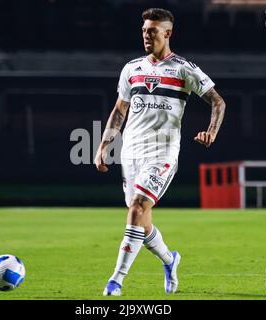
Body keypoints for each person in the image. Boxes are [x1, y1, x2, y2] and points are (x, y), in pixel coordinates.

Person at [94, 7, 226, 296]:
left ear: (167, 33)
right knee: (141, 221)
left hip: (162, 154)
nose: (146, 35)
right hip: (131, 153)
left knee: (137, 208)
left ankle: (116, 281)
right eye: (143, 30)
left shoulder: (184, 69)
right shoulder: (132, 69)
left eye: (152, 31)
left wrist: (211, 132)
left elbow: (218, 101)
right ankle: (170, 259)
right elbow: (120, 110)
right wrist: (104, 144)